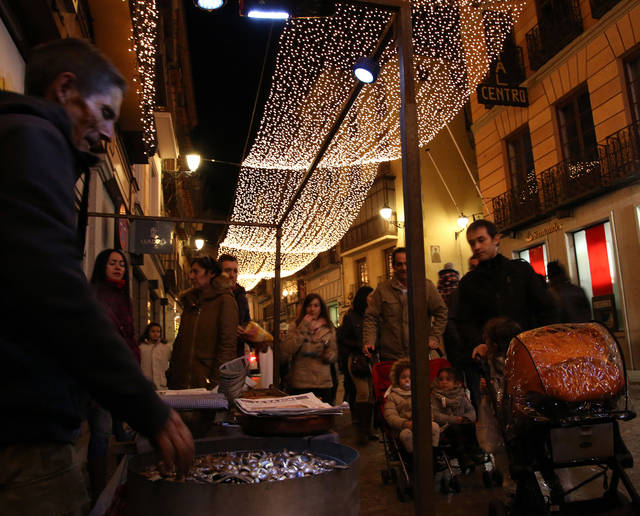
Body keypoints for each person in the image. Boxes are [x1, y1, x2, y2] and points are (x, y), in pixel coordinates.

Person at [0, 38, 193, 515]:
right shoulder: (32, 139)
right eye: (106, 113)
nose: (109, 133)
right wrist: (146, 407)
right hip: (23, 433)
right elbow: (54, 289)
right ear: (65, 90)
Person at [454, 219, 557, 409]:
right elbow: (463, 320)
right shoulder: (469, 282)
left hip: (527, 353)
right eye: (472, 243)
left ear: (496, 239)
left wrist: (542, 340)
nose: (476, 247)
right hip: (491, 360)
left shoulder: (520, 271)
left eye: (481, 240)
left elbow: (545, 307)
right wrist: (478, 343)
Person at [87, 248, 139, 499]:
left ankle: (121, 483)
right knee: (101, 432)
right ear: (102, 266)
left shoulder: (123, 296)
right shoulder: (95, 295)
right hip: (103, 375)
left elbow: (127, 337)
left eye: (121, 264)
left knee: (122, 431)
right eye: (112, 263)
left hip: (123, 374)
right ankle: (98, 488)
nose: (118, 267)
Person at [363, 247, 448, 360]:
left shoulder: (426, 287)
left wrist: (434, 336)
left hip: (420, 354)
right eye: (399, 264)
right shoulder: (382, 290)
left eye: (406, 263)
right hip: (391, 356)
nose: (403, 268)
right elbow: (371, 317)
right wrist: (369, 340)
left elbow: (441, 311)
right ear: (393, 266)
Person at [167, 256, 238, 390]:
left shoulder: (224, 301)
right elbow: (181, 342)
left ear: (211, 273)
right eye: (191, 272)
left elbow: (227, 346)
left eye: (196, 272)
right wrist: (172, 374)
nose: (191, 276)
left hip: (205, 383)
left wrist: (216, 382)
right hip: (181, 382)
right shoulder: (190, 302)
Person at [281, 293, 337, 402]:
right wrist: (303, 327)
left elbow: (334, 353)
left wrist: (329, 355)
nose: (312, 309)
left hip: (323, 382)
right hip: (302, 382)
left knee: (324, 418)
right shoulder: (296, 325)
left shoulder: (328, 327)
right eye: (309, 306)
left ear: (321, 308)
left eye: (316, 306)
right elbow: (288, 349)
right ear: (305, 308)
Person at [337, 285, 374, 444]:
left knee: (373, 394)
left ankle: (370, 428)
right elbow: (343, 339)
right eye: (370, 296)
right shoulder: (351, 317)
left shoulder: (375, 316)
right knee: (363, 392)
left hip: (373, 360)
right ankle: (362, 430)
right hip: (357, 360)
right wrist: (360, 346)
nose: (372, 299)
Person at [384, 358, 440, 454]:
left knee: (434, 426)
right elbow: (391, 416)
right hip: (404, 427)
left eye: (410, 377)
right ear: (397, 380)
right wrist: (405, 423)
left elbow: (429, 409)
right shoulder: (392, 397)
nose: (407, 380)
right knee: (406, 435)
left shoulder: (420, 393)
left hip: (422, 424)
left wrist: (426, 420)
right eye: (403, 377)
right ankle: (412, 457)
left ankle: (433, 454)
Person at [431, 367, 480, 469]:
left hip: (461, 423)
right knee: (455, 428)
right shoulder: (436, 397)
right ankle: (462, 456)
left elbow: (471, 411)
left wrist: (465, 418)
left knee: (470, 426)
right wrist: (454, 419)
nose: (444, 382)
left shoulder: (460, 396)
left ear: (455, 382)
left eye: (448, 379)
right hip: (445, 427)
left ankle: (473, 451)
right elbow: (435, 415)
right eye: (441, 379)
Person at [218, 253, 252, 356]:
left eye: (235, 271)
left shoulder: (241, 296)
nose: (232, 275)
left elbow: (246, 321)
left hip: (237, 353)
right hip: (217, 354)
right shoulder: (212, 294)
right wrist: (229, 328)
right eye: (227, 270)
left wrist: (249, 331)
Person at [140, 322, 172, 390]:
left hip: (161, 384)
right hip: (146, 383)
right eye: (153, 331)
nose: (156, 334)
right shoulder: (141, 347)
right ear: (148, 332)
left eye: (158, 331)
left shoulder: (166, 347)